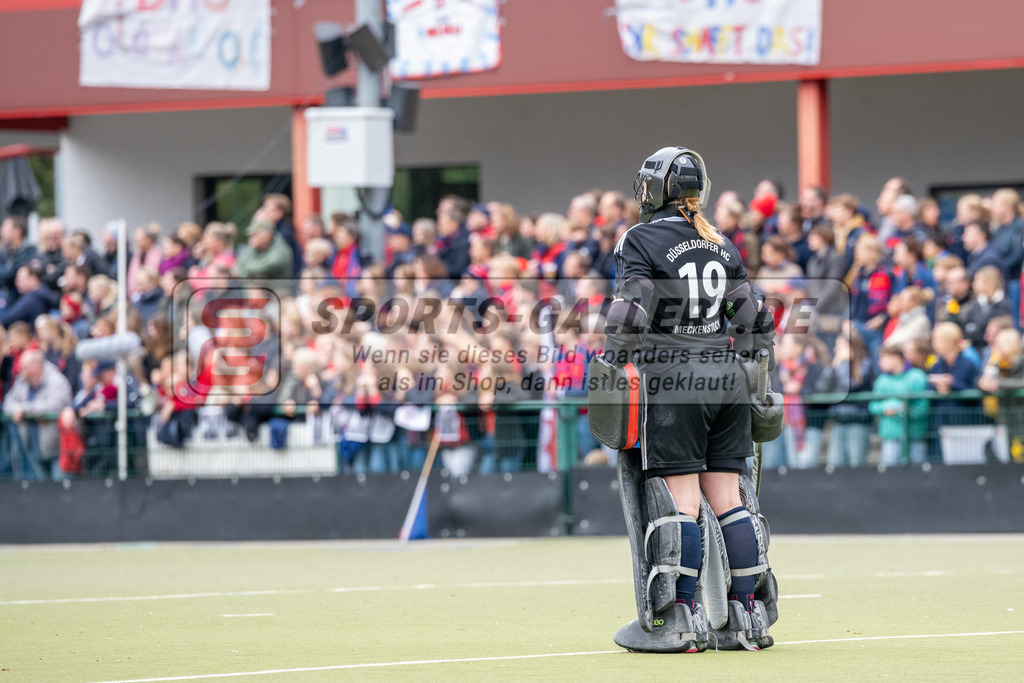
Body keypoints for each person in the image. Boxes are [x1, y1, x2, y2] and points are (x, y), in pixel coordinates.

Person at [596, 146, 778, 653]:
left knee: (680, 502)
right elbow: (755, 323)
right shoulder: (721, 242)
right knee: (730, 501)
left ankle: (680, 620)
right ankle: (748, 617)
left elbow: (630, 314)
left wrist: (610, 363)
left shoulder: (640, 238)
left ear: (653, 189)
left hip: (673, 382)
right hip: (728, 382)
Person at [869, 346, 929, 466]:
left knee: (917, 473)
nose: (880, 362)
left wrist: (904, 411)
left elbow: (923, 406)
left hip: (915, 435)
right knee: (891, 473)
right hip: (890, 436)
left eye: (883, 358)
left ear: (896, 358)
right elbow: (873, 406)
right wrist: (887, 407)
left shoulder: (917, 377)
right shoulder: (882, 380)